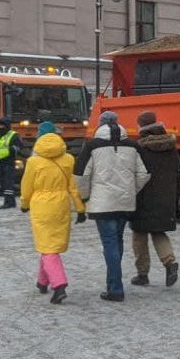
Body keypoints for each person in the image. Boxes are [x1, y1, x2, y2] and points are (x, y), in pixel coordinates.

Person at [75, 110, 150, 302]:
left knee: (109, 244)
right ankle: (112, 283)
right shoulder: (132, 145)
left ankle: (116, 288)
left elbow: (80, 175)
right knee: (117, 242)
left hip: (103, 204)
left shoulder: (92, 146)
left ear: (100, 125)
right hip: (125, 203)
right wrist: (131, 190)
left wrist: (85, 197)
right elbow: (144, 173)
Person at [20, 121, 86, 305]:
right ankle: (42, 281)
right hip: (62, 205)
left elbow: (27, 187)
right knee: (49, 245)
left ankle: (59, 284)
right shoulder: (68, 159)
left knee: (47, 246)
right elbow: (73, 186)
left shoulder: (33, 161)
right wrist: (80, 208)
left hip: (41, 205)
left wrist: (24, 204)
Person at [130, 111, 180, 288]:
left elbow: (136, 175)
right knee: (159, 231)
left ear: (141, 127)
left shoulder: (140, 148)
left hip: (144, 197)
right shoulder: (171, 146)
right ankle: (170, 263)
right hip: (165, 196)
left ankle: (142, 274)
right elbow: (178, 172)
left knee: (139, 235)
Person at [0, 116, 23, 209]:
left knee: (8, 182)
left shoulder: (13, 135)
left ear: (7, 126)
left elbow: (18, 147)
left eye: (2, 125)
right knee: (3, 182)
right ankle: (9, 201)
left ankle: (9, 202)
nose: (0, 127)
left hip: (9, 162)